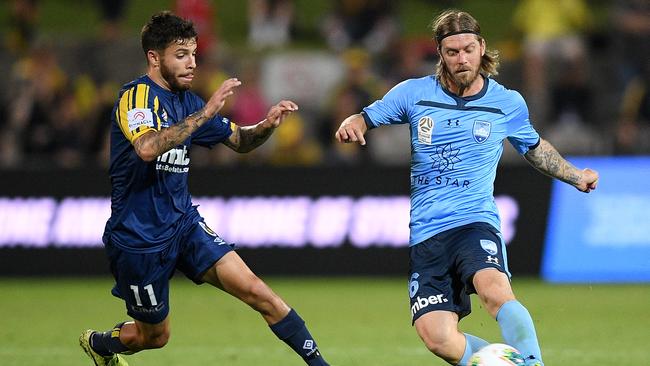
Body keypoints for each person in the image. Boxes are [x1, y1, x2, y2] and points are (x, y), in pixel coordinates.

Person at [335, 9, 599, 366]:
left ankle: (533, 363)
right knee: (438, 338)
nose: (462, 59)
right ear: (440, 54)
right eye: (453, 52)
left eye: (468, 49)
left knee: (495, 291)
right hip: (427, 234)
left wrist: (574, 175)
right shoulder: (414, 94)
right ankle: (512, 364)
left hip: (474, 222)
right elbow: (366, 116)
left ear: (482, 48)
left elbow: (534, 148)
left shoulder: (506, 102)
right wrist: (354, 123)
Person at [79, 11, 329, 366]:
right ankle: (101, 344)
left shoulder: (189, 102)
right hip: (139, 239)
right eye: (181, 55)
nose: (192, 63)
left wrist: (267, 125)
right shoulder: (135, 97)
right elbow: (147, 148)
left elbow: (240, 141)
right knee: (155, 337)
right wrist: (207, 111)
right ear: (155, 58)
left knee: (261, 294)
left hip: (184, 225)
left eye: (194, 54)